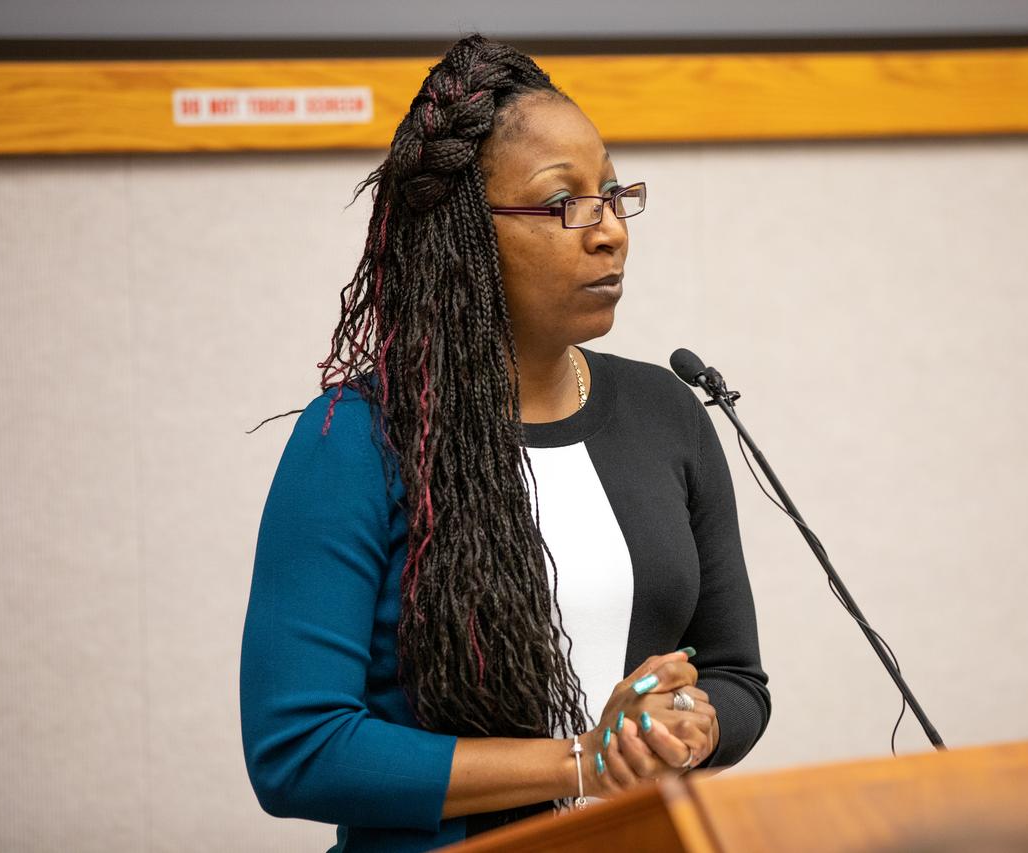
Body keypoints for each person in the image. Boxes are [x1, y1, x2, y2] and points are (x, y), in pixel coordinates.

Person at [239, 33, 770, 852]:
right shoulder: (356, 441)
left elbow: (737, 678)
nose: (610, 231)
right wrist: (580, 760)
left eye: (612, 193)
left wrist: (691, 725)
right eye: (564, 203)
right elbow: (299, 749)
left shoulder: (667, 412)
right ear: (466, 235)